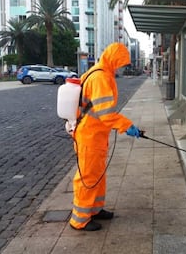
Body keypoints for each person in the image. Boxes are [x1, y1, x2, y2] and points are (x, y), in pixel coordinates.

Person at [69, 42, 141, 231]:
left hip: (96, 135)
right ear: (113, 59)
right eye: (121, 63)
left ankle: (95, 209)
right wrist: (128, 126)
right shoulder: (100, 77)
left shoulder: (100, 73)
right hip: (90, 135)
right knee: (88, 177)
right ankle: (80, 219)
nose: (122, 67)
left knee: (98, 175)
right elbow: (106, 114)